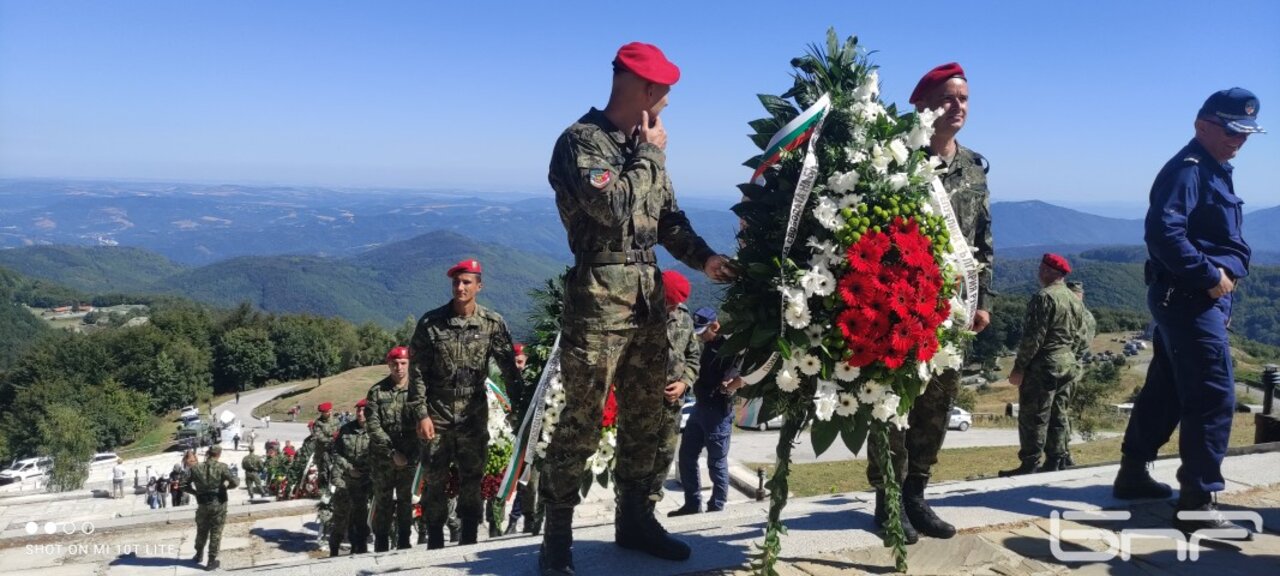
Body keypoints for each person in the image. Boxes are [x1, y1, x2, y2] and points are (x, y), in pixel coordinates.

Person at [543, 41, 735, 574]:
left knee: (648, 415)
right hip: (599, 296)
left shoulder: (640, 146)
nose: (669, 101)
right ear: (648, 89)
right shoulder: (582, 142)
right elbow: (609, 207)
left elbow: (668, 220)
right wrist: (651, 154)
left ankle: (635, 518)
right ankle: (556, 535)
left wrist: (707, 260)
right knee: (582, 417)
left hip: (648, 297)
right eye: (666, 91)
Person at [1113, 88, 1262, 538]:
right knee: (1213, 395)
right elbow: (1163, 232)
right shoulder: (1189, 169)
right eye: (1232, 130)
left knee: (1167, 389)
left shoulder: (1214, 168)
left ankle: (1133, 473)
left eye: (1246, 132)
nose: (1240, 140)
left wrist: (1222, 283)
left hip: (1195, 300)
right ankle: (1197, 499)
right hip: (1190, 297)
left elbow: (1224, 242)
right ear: (1203, 125)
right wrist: (1208, 278)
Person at [865, 61, 994, 545]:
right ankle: (887, 501)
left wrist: (984, 301)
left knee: (937, 406)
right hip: (901, 310)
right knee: (895, 403)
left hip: (954, 309)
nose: (958, 106)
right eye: (949, 98)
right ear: (923, 106)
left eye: (964, 98)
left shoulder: (974, 167)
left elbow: (983, 242)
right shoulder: (899, 160)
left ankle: (916, 494)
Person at [409, 259, 526, 549]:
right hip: (437, 416)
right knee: (435, 480)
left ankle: (470, 535)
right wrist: (421, 414)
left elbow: (509, 370)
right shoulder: (431, 323)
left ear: (479, 286)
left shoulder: (492, 323)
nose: (460, 287)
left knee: (472, 478)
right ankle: (434, 536)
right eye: (456, 282)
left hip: (473, 417)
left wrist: (521, 409)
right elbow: (417, 372)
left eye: (466, 282)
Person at [1000, 254, 1086, 476]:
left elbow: (1033, 338)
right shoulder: (1074, 300)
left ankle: (1030, 462)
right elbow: (1079, 335)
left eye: (1041, 269)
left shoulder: (1044, 297)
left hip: (1044, 364)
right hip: (1067, 362)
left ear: (1049, 271)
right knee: (1059, 413)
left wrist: (1019, 367)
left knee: (1034, 415)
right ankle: (1056, 458)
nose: (1038, 273)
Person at [670, 307, 743, 516]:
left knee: (716, 462)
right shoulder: (707, 345)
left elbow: (742, 376)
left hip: (719, 412)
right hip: (699, 408)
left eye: (704, 331)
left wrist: (730, 385)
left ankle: (717, 506)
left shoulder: (731, 348)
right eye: (698, 332)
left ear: (715, 325)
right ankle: (692, 504)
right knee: (686, 456)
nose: (700, 336)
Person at [648, 270, 698, 509]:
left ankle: (651, 506)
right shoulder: (639, 315)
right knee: (636, 458)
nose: (672, 308)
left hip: (672, 405)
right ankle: (630, 509)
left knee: (665, 455)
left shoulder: (684, 318)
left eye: (676, 305)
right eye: (668, 304)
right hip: (642, 403)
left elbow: (693, 356)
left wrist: (684, 383)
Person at [366, 346, 420, 551]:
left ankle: (404, 540)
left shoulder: (418, 390)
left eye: (403, 363)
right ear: (389, 365)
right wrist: (391, 452)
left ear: (409, 364)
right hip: (384, 460)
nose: (399, 368)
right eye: (395, 364)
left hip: (411, 457)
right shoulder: (377, 391)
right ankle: (381, 543)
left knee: (407, 501)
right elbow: (373, 425)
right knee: (384, 502)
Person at [506, 342, 545, 537]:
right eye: (515, 362)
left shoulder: (535, 381)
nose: (518, 366)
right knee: (527, 482)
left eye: (520, 362)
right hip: (519, 440)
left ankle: (535, 517)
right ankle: (527, 518)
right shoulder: (510, 383)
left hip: (539, 437)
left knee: (534, 480)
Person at [183, 445, 239, 571]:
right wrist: (225, 487)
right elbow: (235, 482)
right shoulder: (222, 467)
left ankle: (198, 554)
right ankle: (211, 561)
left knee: (201, 530)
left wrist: (195, 492)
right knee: (216, 531)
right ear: (218, 454)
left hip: (203, 504)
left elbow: (182, 484)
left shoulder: (195, 468)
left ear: (208, 453)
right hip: (218, 504)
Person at [329, 399, 373, 556]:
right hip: (349, 480)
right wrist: (350, 468)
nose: (360, 413)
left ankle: (362, 546)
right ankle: (340, 548)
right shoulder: (346, 429)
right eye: (358, 410)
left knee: (365, 515)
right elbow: (336, 453)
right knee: (346, 515)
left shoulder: (376, 429)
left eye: (363, 410)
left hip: (370, 479)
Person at [1063, 281, 1096, 468]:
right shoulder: (1089, 317)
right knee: (1064, 411)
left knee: (1059, 412)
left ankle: (1061, 453)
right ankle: (1063, 452)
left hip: (1064, 367)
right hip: (1076, 368)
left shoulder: (1070, 314)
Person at [312, 402, 340, 489]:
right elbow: (319, 437)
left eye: (329, 411)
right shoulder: (318, 423)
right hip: (322, 451)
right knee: (323, 472)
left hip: (335, 450)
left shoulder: (336, 421)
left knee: (336, 469)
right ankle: (322, 490)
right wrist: (332, 439)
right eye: (326, 412)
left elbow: (340, 431)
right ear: (322, 413)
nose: (329, 413)